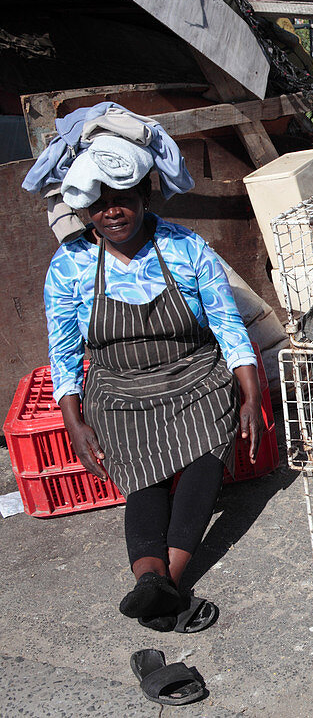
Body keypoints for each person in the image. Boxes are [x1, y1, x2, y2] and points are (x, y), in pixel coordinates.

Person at [43, 164, 263, 633]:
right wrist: (73, 421)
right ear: (84, 211)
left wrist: (249, 393)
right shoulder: (70, 264)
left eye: (121, 196)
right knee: (143, 476)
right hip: (118, 388)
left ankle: (162, 584)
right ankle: (154, 580)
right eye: (97, 204)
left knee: (206, 456)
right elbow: (62, 352)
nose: (112, 211)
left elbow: (226, 324)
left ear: (144, 194)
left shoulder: (184, 247)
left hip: (193, 375)